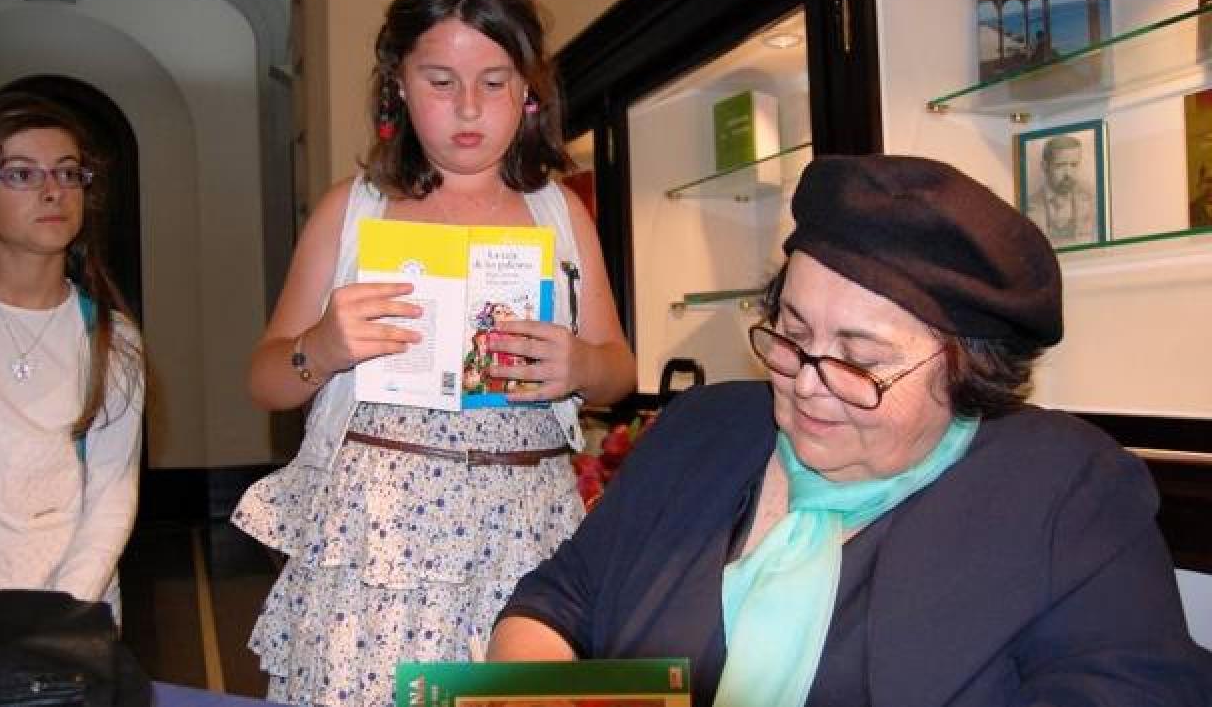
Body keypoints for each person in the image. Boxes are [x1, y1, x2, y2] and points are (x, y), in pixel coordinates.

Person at [490, 155, 1212, 706]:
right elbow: (561, 598)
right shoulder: (702, 430)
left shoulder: (1063, 493)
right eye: (793, 333)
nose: (807, 382)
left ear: (967, 369)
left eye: (860, 360)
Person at [231, 0, 635, 707]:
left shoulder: (558, 212)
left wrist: (581, 365)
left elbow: (620, 367)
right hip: (379, 538)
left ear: (529, 88)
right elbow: (265, 378)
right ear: (397, 84)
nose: (470, 109)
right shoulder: (352, 209)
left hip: (524, 529)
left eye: (494, 82)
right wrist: (321, 347)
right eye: (441, 82)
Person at [0, 91, 145, 623]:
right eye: (22, 174)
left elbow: (111, 496)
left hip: (76, 612)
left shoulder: (112, 337)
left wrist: (64, 610)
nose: (53, 191)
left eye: (67, 173)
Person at [1025, 133, 1099, 247]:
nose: (1068, 173)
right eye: (1060, 165)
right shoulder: (1030, 205)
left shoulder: (1092, 199)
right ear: (1045, 166)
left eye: (1074, 165)